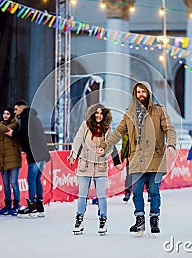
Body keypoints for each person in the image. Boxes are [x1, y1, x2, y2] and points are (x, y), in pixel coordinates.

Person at [98, 82, 176, 235]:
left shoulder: (159, 111)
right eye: (138, 92)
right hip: (137, 158)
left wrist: (171, 144)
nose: (141, 94)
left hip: (155, 156)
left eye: (143, 91)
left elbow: (169, 129)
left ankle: (154, 219)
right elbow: (118, 132)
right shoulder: (129, 113)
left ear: (148, 93)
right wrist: (105, 145)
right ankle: (139, 219)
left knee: (154, 191)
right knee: (137, 191)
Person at [68, 103, 118, 235]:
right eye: (96, 113)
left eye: (101, 113)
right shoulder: (85, 125)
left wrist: (104, 151)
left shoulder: (107, 128)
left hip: (100, 165)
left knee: (101, 195)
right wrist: (73, 156)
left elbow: (111, 146)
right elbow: (77, 141)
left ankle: (103, 219)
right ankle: (79, 219)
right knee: (82, 195)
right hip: (84, 164)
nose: (99, 115)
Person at [5, 100, 50, 218]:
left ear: (21, 108)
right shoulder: (35, 118)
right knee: (36, 179)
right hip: (42, 154)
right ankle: (39, 207)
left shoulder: (27, 118)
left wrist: (13, 133)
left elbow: (25, 135)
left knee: (31, 179)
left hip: (35, 154)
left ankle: (32, 207)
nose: (14, 112)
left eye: (16, 109)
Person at [121, 134, 151, 203]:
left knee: (146, 174)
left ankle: (149, 192)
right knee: (129, 175)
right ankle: (127, 192)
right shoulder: (128, 130)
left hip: (144, 156)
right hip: (131, 156)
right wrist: (123, 156)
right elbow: (125, 142)